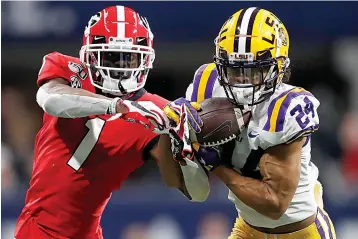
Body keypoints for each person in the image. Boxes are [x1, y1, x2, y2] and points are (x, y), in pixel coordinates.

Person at [14, 5, 209, 239]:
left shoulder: (158, 110)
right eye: (111, 57)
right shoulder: (71, 71)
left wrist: (183, 150)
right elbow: (50, 99)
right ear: (90, 55)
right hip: (38, 230)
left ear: (145, 58)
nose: (119, 68)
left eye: (129, 58)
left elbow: (197, 193)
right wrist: (117, 106)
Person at [165, 7, 336, 239]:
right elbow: (198, 194)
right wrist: (180, 143)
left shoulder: (286, 108)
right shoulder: (206, 86)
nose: (243, 81)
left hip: (300, 232)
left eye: (255, 71)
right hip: (248, 229)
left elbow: (275, 204)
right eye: (235, 70)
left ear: (278, 68)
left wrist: (218, 167)